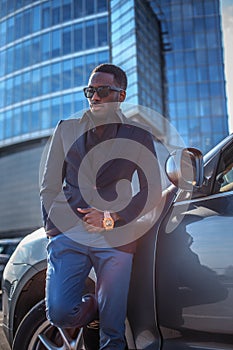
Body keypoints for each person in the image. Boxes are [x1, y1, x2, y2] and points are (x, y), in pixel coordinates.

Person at [40, 63, 162, 350]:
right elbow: (49, 185)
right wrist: (55, 231)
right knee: (58, 311)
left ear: (120, 95)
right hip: (69, 235)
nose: (94, 97)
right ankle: (93, 304)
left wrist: (113, 215)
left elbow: (152, 190)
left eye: (103, 91)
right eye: (90, 91)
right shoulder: (66, 130)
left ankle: (107, 316)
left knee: (113, 330)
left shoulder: (138, 136)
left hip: (115, 237)